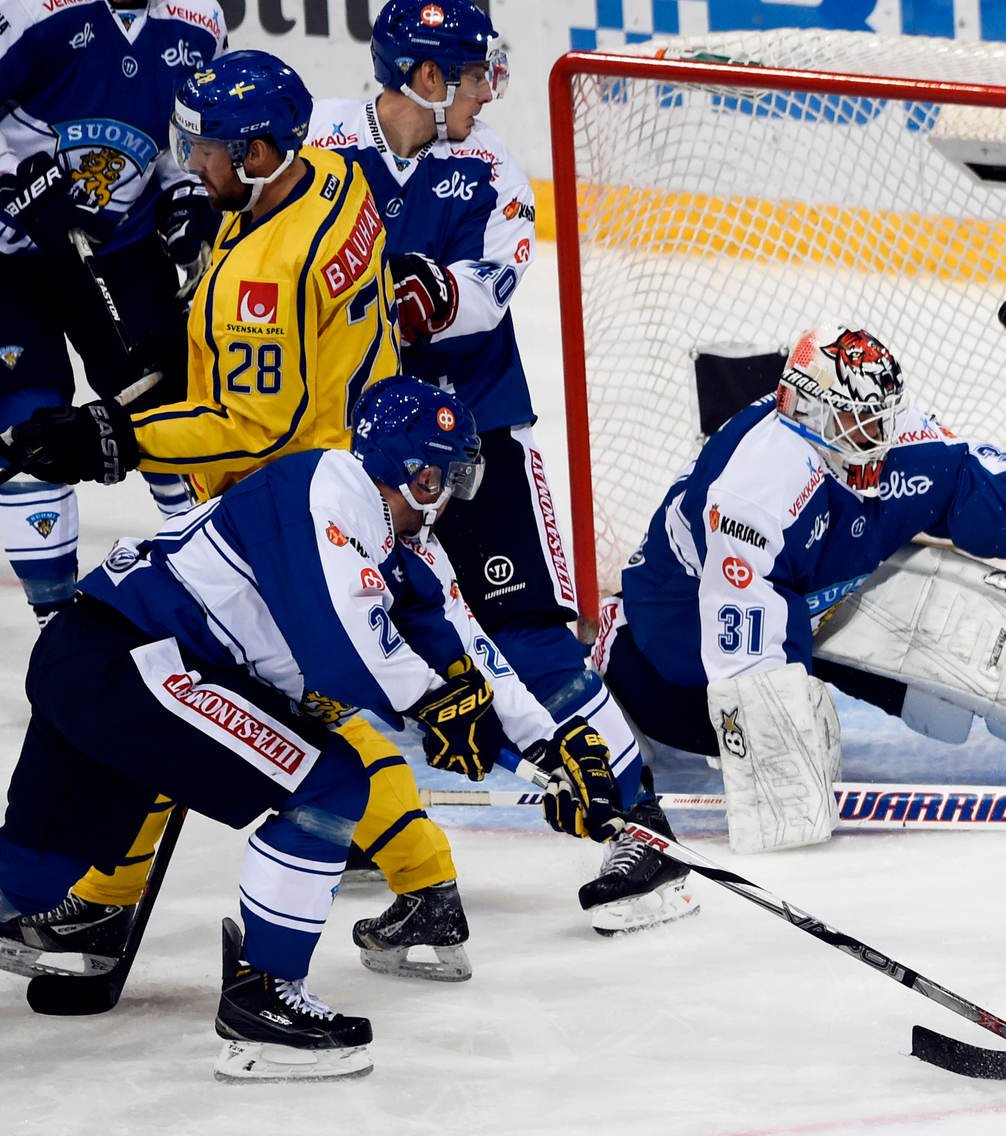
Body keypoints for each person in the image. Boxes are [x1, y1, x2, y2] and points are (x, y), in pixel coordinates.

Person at [0, 49, 514, 983]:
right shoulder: (336, 181)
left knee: (209, 696)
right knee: (212, 701)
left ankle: (109, 904)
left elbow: (248, 420)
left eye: (208, 151)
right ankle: (419, 882)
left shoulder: (265, 278)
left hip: (286, 508)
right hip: (360, 470)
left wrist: (119, 437)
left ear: (263, 152)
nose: (192, 164)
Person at [0, 376, 624, 1081]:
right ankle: (263, 999)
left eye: (455, 479)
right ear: (390, 464)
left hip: (100, 660)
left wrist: (554, 747)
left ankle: (251, 986)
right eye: (430, 478)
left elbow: (469, 653)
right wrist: (439, 706)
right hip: (136, 661)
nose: (442, 497)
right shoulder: (326, 489)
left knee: (30, 875)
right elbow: (343, 648)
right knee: (328, 783)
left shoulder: (407, 545)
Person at [593, 324, 1006, 893]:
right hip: (681, 628)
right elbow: (749, 656)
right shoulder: (753, 491)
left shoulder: (895, 438)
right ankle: (612, 665)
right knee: (783, 769)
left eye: (880, 418)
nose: (875, 437)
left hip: (814, 592)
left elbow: (981, 499)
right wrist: (782, 758)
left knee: (953, 626)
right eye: (855, 422)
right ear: (806, 410)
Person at [306, 2, 664, 911]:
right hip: (359, 450)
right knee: (343, 631)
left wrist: (411, 291)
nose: (487, 90)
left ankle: (640, 820)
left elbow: (483, 296)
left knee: (526, 633)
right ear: (426, 78)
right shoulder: (321, 143)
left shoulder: (490, 163)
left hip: (477, 440)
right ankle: (365, 818)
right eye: (472, 75)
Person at [0, 0, 228, 622]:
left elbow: (180, 138)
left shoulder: (200, 21)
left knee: (171, 406)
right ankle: (56, 628)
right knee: (32, 425)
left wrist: (184, 196)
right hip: (11, 256)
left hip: (122, 246)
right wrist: (12, 179)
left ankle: (222, 591)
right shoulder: (27, 11)